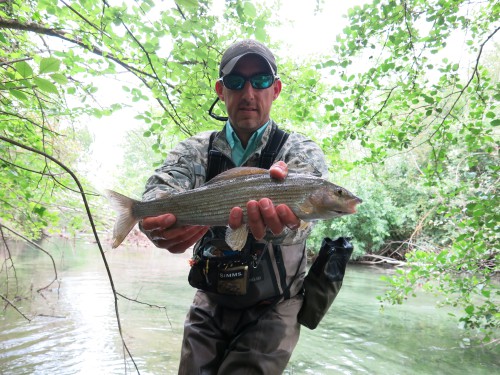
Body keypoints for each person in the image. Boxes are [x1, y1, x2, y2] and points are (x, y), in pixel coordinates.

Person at [140, 39, 328, 374]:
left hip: (276, 307)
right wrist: (155, 222)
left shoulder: (300, 152)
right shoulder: (194, 150)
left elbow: (304, 225)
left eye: (260, 81)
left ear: (276, 89)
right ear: (221, 89)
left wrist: (284, 227)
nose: (249, 93)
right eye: (236, 82)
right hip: (211, 299)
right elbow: (159, 190)